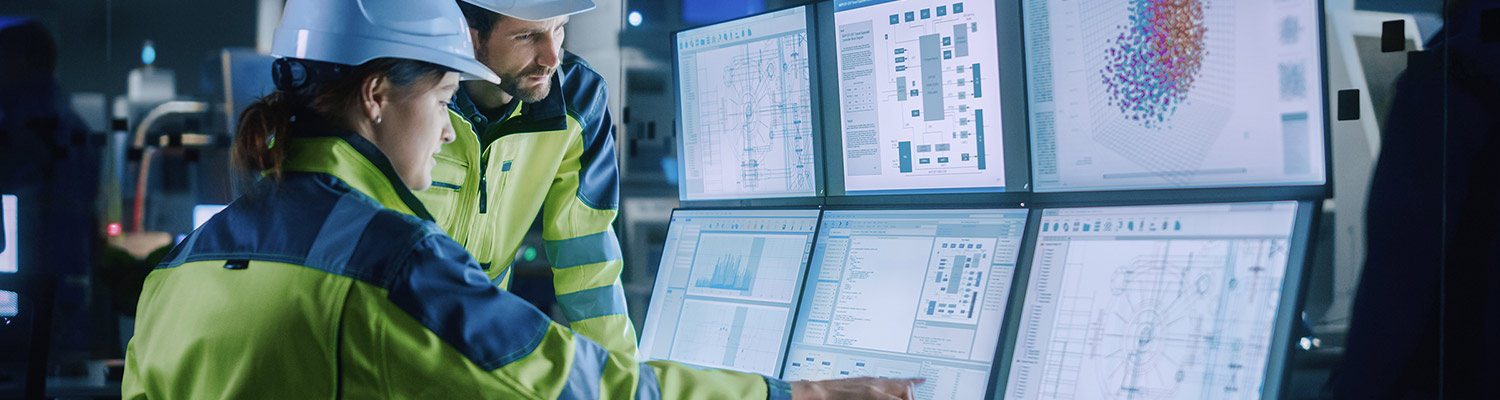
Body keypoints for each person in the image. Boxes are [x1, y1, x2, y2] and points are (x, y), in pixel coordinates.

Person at [122, 0, 921, 398]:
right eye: (439, 100)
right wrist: (793, 392)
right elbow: (570, 384)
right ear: (376, 96)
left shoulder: (180, 269)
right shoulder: (392, 270)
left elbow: (587, 278)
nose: (443, 133)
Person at [411, 0, 638, 356]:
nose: (552, 57)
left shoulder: (580, 100)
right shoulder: (409, 94)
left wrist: (624, 378)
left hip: (481, 345)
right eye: (528, 35)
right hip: (394, 333)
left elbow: (589, 262)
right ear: (470, 35)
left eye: (559, 29)